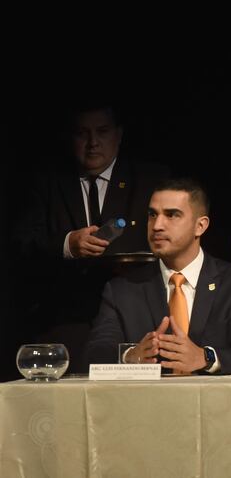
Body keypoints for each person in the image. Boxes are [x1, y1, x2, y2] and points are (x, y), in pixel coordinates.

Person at [12, 105, 170, 371]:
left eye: (102, 132)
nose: (93, 143)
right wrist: (67, 245)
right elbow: (20, 243)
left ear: (118, 135)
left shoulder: (151, 179)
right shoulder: (47, 182)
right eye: (82, 133)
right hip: (66, 319)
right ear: (69, 138)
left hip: (135, 318)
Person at [87, 178, 231, 374]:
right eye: (153, 215)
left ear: (200, 226)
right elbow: (96, 353)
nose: (157, 225)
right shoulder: (122, 290)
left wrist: (205, 357)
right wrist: (130, 356)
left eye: (171, 215)